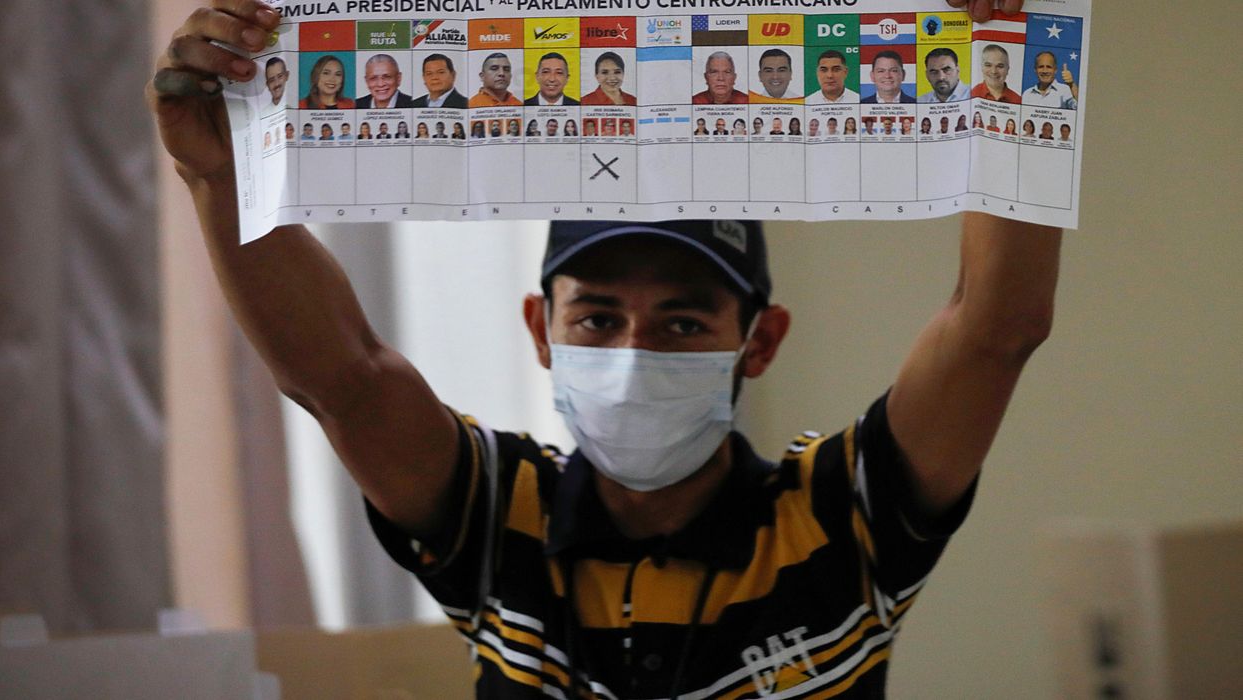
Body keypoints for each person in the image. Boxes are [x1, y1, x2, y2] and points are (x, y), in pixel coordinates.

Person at [151, 3, 1056, 698]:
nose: (634, 350)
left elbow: (993, 333)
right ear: (541, 332)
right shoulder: (499, 513)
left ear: (759, 341)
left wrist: (1012, 56)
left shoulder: (838, 517)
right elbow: (342, 377)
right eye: (596, 319)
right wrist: (215, 175)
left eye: (681, 322)